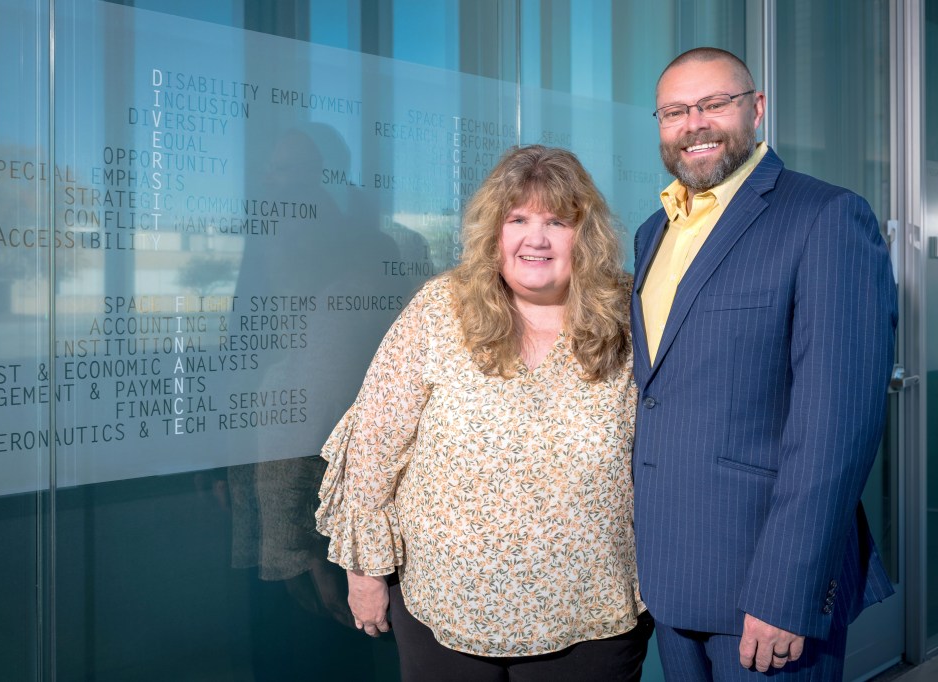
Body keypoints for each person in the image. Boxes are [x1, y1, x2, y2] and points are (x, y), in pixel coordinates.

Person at [316, 145, 652, 681]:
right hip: (444, 606)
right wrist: (365, 573)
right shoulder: (439, 309)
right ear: (493, 231)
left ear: (584, 235)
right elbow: (374, 446)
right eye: (516, 219)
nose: (534, 238)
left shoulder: (632, 317)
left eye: (557, 221)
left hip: (591, 611)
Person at [631, 47, 897, 680]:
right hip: (670, 577)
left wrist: (787, 591)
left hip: (765, 586)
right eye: (674, 111)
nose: (693, 123)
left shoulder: (825, 216)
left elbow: (836, 429)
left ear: (756, 109)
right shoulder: (652, 233)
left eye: (713, 103)